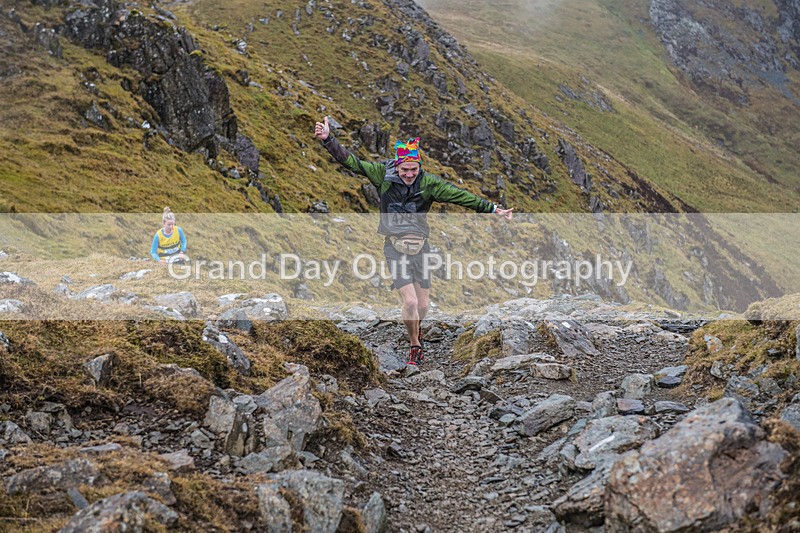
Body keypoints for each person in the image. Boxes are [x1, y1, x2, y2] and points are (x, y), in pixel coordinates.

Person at [314, 116, 513, 366]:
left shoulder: (429, 183)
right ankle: (414, 346)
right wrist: (328, 140)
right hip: (394, 248)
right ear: (397, 167)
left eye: (414, 169)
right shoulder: (382, 175)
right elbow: (352, 162)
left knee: (424, 305)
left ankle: (416, 330)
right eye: (404, 169)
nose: (409, 174)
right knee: (410, 301)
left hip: (421, 248)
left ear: (419, 167)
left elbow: (459, 196)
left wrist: (493, 209)